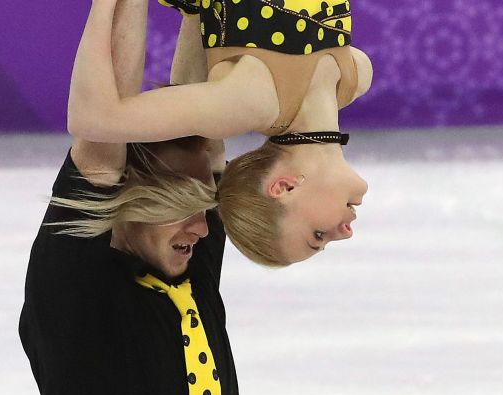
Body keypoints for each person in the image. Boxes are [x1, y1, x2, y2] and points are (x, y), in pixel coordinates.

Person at [19, 1, 239, 395]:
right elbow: (101, 135)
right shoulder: (76, 290)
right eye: (181, 208)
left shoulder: (188, 273)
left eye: (204, 210)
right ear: (128, 204)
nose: (202, 229)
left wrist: (201, 13)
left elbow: (206, 127)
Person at [68, 0, 371, 266]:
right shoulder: (355, 76)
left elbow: (94, 119)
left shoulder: (253, 104)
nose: (346, 232)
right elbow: (194, 45)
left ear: (284, 188)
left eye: (317, 235)